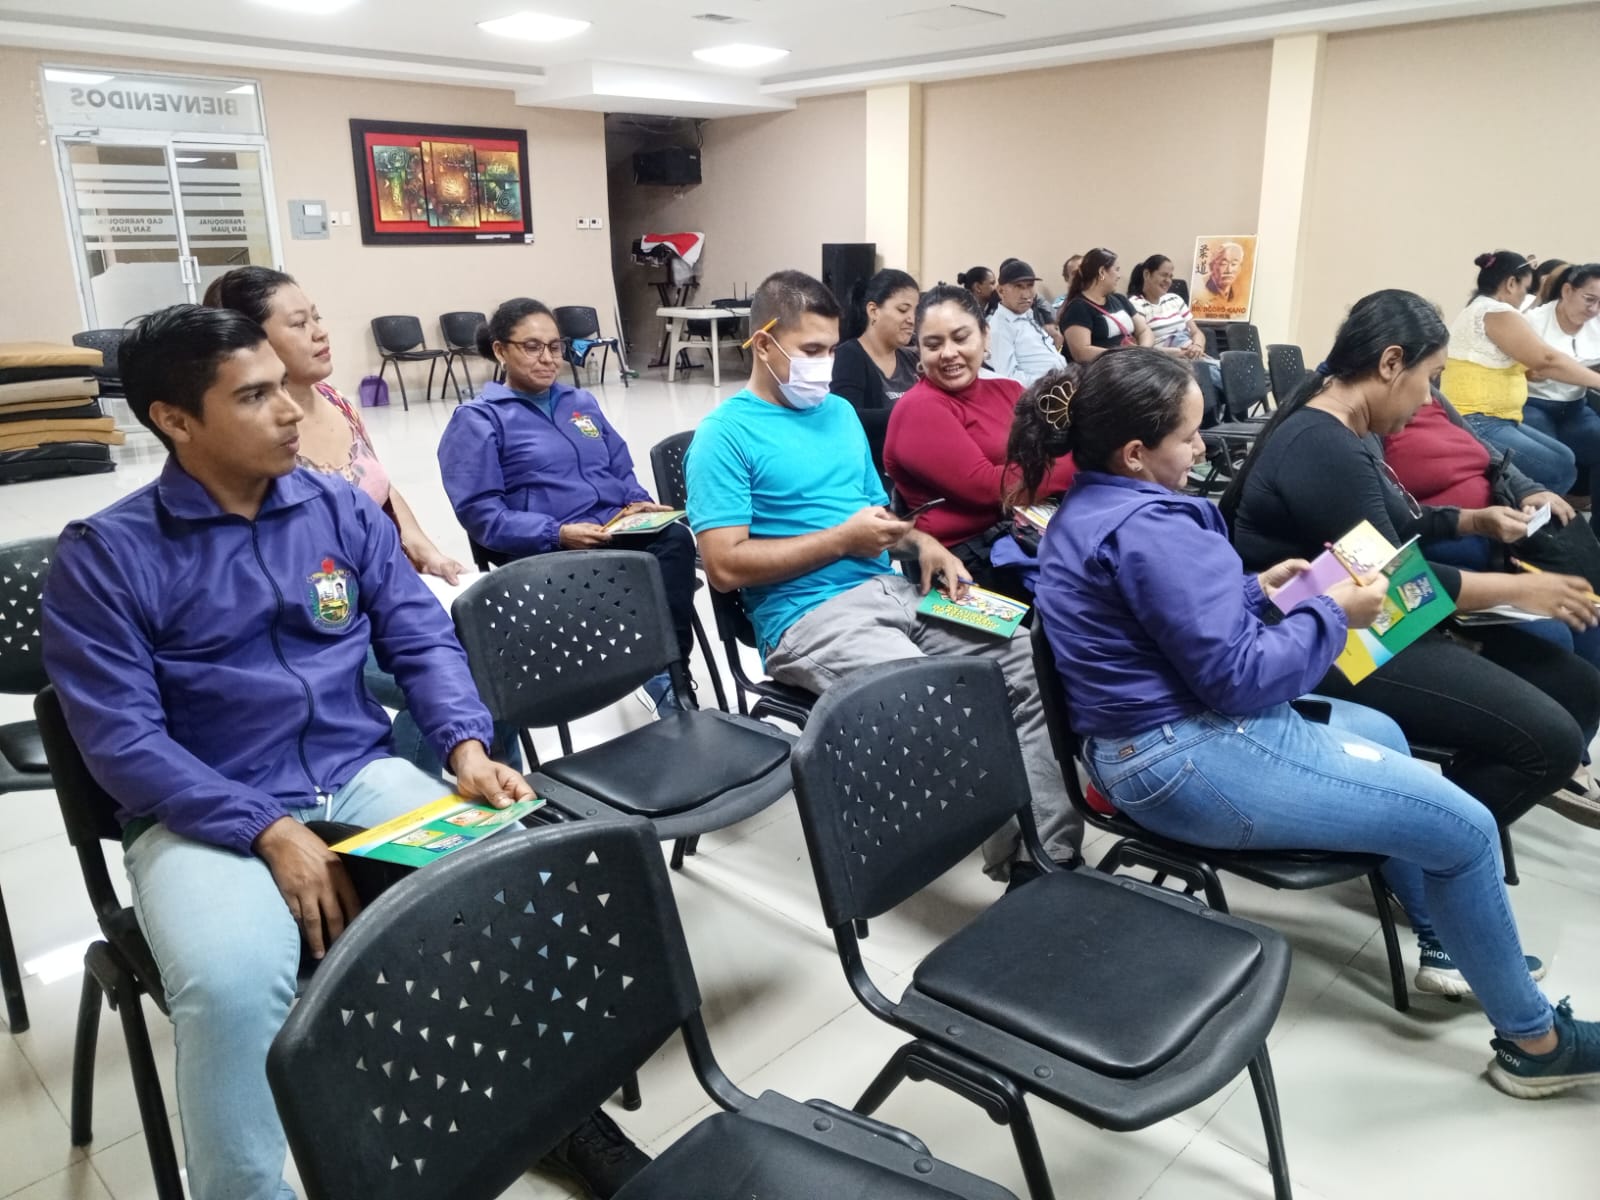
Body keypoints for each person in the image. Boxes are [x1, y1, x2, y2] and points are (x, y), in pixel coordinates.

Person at [39, 305, 648, 1200]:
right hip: (202, 812)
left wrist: (464, 745)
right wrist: (266, 826)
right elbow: (120, 738)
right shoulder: (107, 556)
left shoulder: (333, 507)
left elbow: (419, 636)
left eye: (283, 388)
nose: (293, 410)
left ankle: (557, 1117)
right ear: (174, 420)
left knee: (512, 888)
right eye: (255, 396)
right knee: (232, 982)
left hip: (356, 774)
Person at [1016, 345, 1600, 1098]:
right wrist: (1332, 612)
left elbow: (1163, 622)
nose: (1203, 450)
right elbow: (1239, 678)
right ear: (1135, 453)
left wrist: (1259, 592)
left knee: (1385, 735)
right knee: (1467, 828)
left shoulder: (1096, 506)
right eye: (1189, 438)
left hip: (1149, 742)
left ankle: (1446, 941)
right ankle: (1535, 1043)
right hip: (1183, 755)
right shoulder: (1153, 528)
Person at [685, 269, 1080, 879]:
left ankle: (1046, 857)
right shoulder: (723, 436)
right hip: (809, 616)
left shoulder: (839, 413)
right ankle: (1018, 860)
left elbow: (879, 517)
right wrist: (843, 541)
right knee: (939, 697)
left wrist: (923, 542)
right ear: (764, 344)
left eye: (830, 349)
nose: (825, 365)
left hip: (893, 590)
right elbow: (723, 566)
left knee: (1024, 654)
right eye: (812, 350)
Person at [1221, 289, 1600, 835]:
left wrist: (1474, 521)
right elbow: (1395, 577)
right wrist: (1518, 590)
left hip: (1369, 613)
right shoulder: (1321, 444)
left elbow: (1396, 527)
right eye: (1431, 377)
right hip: (1321, 638)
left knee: (1578, 686)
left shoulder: (1354, 430)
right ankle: (1418, 849)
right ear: (1390, 363)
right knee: (1552, 742)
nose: (1428, 398)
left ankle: (1439, 819)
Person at [202, 265, 508, 775]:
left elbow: (378, 485)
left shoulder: (337, 403)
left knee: (494, 657)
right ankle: (422, 799)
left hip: (386, 593)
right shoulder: (253, 439)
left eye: (317, 318)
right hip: (323, 621)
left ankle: (494, 797)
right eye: (298, 324)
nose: (320, 333)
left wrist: (421, 544)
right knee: (469, 677)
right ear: (251, 341)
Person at [437, 297, 697, 713]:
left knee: (674, 539)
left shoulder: (580, 403)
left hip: (610, 532)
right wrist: (555, 533)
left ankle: (672, 675)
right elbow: (481, 516)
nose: (547, 358)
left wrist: (637, 502)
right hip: (549, 547)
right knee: (644, 575)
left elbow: (619, 467)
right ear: (501, 350)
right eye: (532, 347)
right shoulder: (479, 419)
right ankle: (664, 681)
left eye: (555, 347)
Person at [883, 285, 1075, 596]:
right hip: (966, 561)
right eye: (933, 344)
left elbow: (1046, 446)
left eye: (961, 338)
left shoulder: (1006, 389)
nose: (948, 353)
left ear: (985, 337)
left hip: (1023, 532)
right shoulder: (919, 409)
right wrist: (1081, 461)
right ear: (918, 349)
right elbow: (987, 487)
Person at [1439, 251, 1600, 494]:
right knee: (1558, 468)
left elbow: (1525, 364)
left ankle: (1532, 509)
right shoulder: (1496, 312)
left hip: (1496, 417)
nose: (1526, 297)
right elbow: (1547, 360)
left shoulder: (1480, 308)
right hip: (1478, 419)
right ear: (1511, 283)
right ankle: (1525, 513)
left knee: (1564, 457)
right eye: (1525, 289)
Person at [1522, 263, 1600, 501]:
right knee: (1549, 462)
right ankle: (1549, 521)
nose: (1594, 309)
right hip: (1533, 405)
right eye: (1589, 299)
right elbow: (1533, 367)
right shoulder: (1531, 322)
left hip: (1575, 407)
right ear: (1567, 291)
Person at [1060, 247, 1154, 364]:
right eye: (1116, 269)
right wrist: (1126, 356)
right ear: (1102, 272)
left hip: (1131, 362)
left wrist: (1143, 351)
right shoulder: (1078, 308)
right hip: (1102, 369)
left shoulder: (1120, 299)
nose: (1119, 276)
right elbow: (1081, 352)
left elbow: (1144, 330)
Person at [986, 259, 1067, 385]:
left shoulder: (1027, 314)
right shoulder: (999, 328)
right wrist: (1048, 384)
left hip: (1061, 383)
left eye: (1030, 286)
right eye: (1018, 286)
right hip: (1043, 392)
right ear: (1001, 291)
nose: (1026, 295)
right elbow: (1010, 379)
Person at [1127, 254, 1210, 359]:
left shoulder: (1175, 299)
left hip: (1191, 355)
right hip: (1162, 360)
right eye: (1164, 275)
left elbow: (1196, 332)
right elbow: (1143, 347)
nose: (1168, 281)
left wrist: (1197, 346)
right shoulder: (1135, 304)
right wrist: (1179, 353)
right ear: (1147, 274)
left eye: (1170, 276)